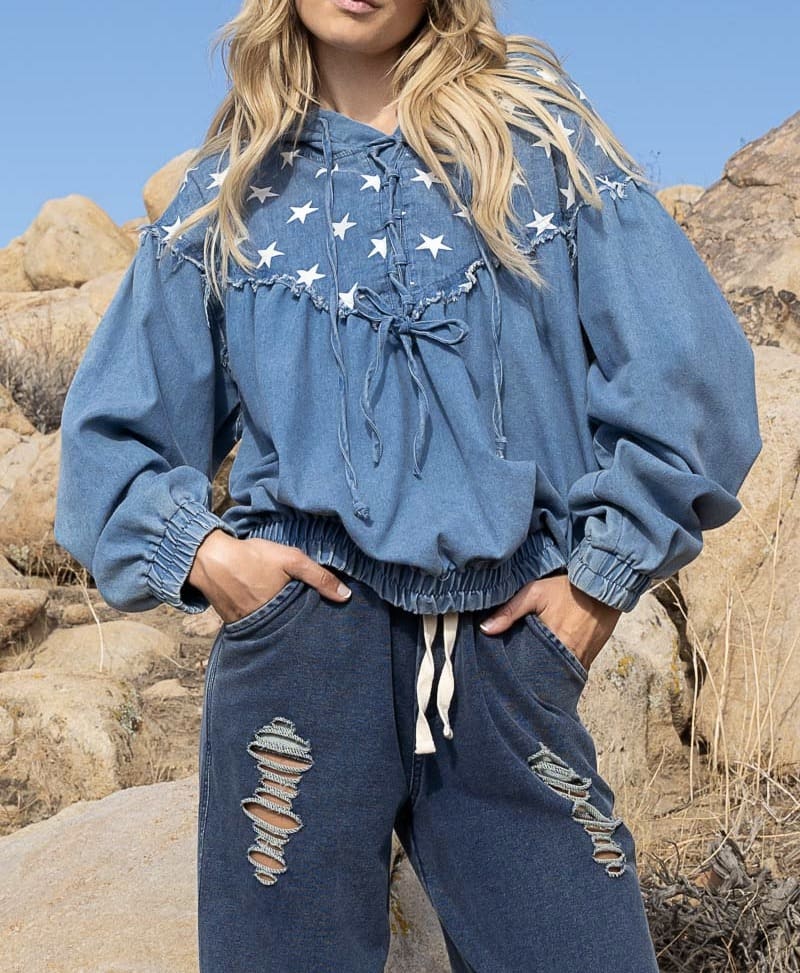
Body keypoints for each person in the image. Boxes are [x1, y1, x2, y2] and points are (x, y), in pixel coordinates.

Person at [53, 0, 762, 970]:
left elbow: (690, 368)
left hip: (504, 652)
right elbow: (109, 438)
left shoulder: (535, 140)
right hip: (296, 658)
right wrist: (211, 559)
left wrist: (599, 577)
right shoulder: (239, 187)